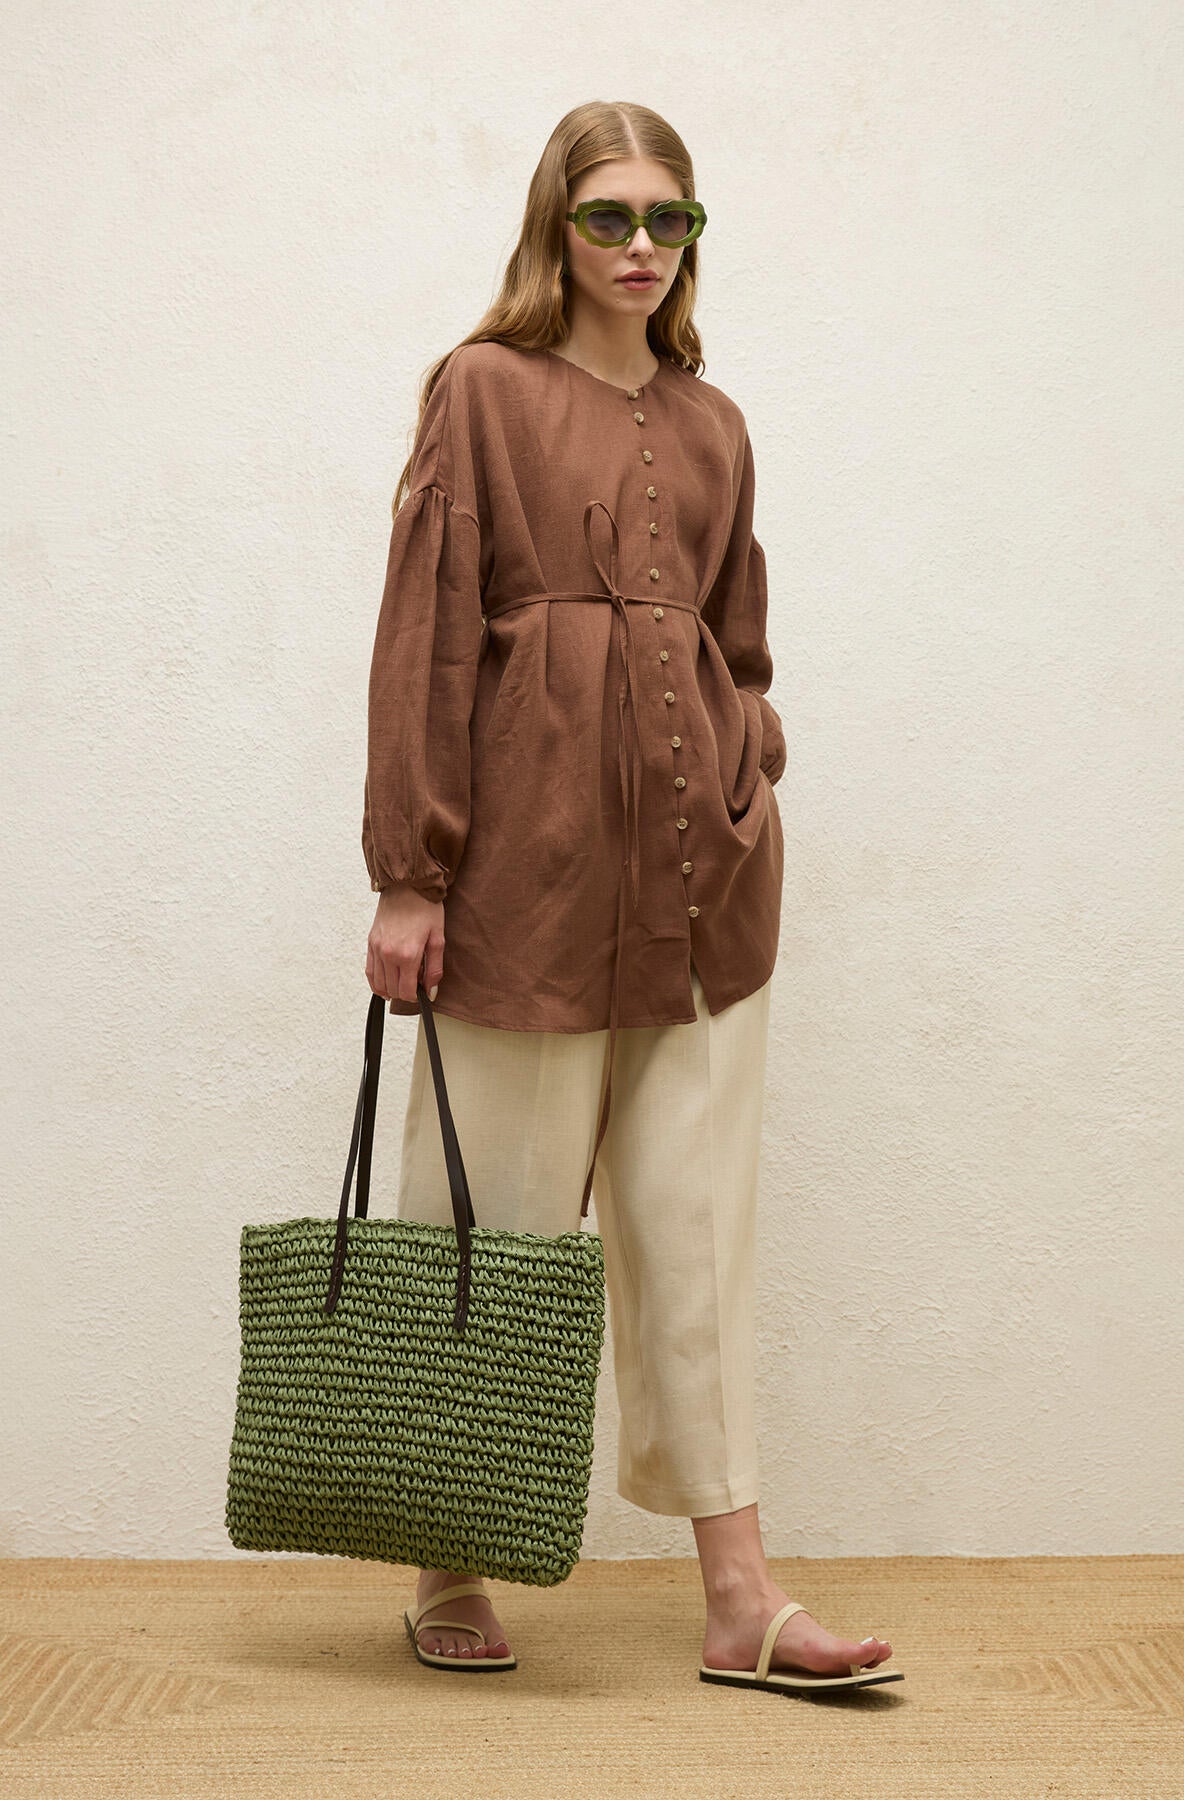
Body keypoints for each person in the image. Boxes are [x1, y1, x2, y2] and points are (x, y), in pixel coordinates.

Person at [362, 100, 896, 1691]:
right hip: (520, 880)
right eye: (611, 216)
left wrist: (751, 761)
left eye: (672, 217)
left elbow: (742, 643)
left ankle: (740, 1598)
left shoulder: (716, 422)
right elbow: (427, 631)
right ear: (557, 226)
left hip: (701, 891)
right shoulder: (480, 390)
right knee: (493, 1221)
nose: (644, 245)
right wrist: (410, 872)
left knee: (696, 1231)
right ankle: (450, 1556)